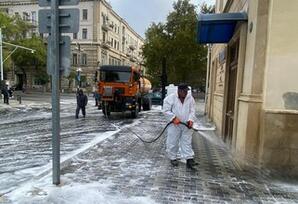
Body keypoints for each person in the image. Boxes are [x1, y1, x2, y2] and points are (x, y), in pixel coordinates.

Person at [163, 83, 197, 170]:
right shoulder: (170, 98)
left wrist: (191, 120)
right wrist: (173, 118)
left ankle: (189, 159)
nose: (185, 93)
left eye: (186, 91)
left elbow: (192, 110)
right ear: (179, 90)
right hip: (174, 124)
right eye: (184, 91)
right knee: (172, 141)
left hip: (186, 124)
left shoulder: (190, 98)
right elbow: (166, 110)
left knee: (187, 141)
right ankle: (173, 157)